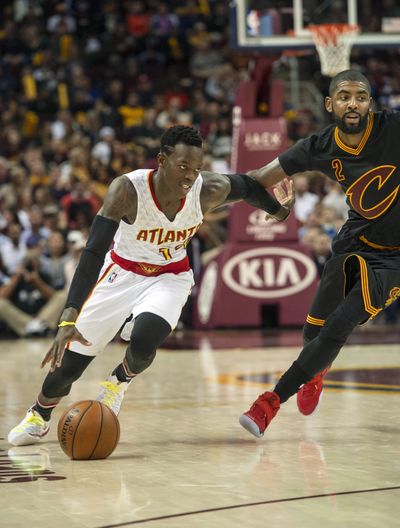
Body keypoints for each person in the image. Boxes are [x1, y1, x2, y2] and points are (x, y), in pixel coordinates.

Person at [8, 125, 294, 446]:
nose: (190, 176)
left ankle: (118, 383)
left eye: (196, 168)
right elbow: (92, 251)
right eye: (183, 166)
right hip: (120, 273)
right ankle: (39, 415)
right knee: (68, 367)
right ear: (161, 160)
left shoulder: (205, 189)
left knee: (146, 339)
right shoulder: (128, 190)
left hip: (169, 276)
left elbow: (249, 185)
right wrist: (68, 316)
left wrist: (278, 210)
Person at [239, 69, 400, 438]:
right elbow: (260, 177)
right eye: (344, 96)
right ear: (330, 104)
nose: (353, 103)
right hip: (354, 240)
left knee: (339, 325)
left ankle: (268, 404)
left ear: (371, 104)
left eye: (361, 96)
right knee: (313, 331)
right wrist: (273, 206)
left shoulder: (393, 127)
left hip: (395, 258)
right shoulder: (319, 145)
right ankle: (315, 370)